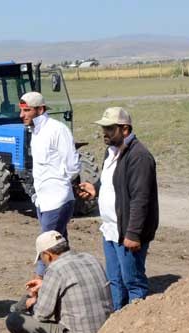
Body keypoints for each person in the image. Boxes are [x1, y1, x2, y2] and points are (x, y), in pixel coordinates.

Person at [77, 107, 159, 310]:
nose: (104, 133)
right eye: (103, 128)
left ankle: (136, 322)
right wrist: (95, 189)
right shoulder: (111, 151)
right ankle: (117, 323)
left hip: (127, 233)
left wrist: (133, 234)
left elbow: (141, 199)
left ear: (125, 129)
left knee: (133, 281)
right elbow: (112, 182)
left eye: (109, 128)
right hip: (111, 230)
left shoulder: (139, 157)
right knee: (114, 280)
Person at [7, 231, 112, 333]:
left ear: (48, 254)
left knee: (14, 320)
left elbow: (41, 315)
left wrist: (32, 301)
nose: (43, 262)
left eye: (42, 258)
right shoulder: (90, 258)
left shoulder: (55, 269)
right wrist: (46, 285)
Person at [19, 91, 81, 278]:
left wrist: (59, 185)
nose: (22, 115)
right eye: (21, 110)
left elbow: (73, 165)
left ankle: (36, 292)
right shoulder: (35, 132)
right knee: (61, 247)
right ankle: (70, 282)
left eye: (27, 110)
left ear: (40, 109)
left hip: (57, 200)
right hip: (43, 200)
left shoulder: (57, 130)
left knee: (47, 245)